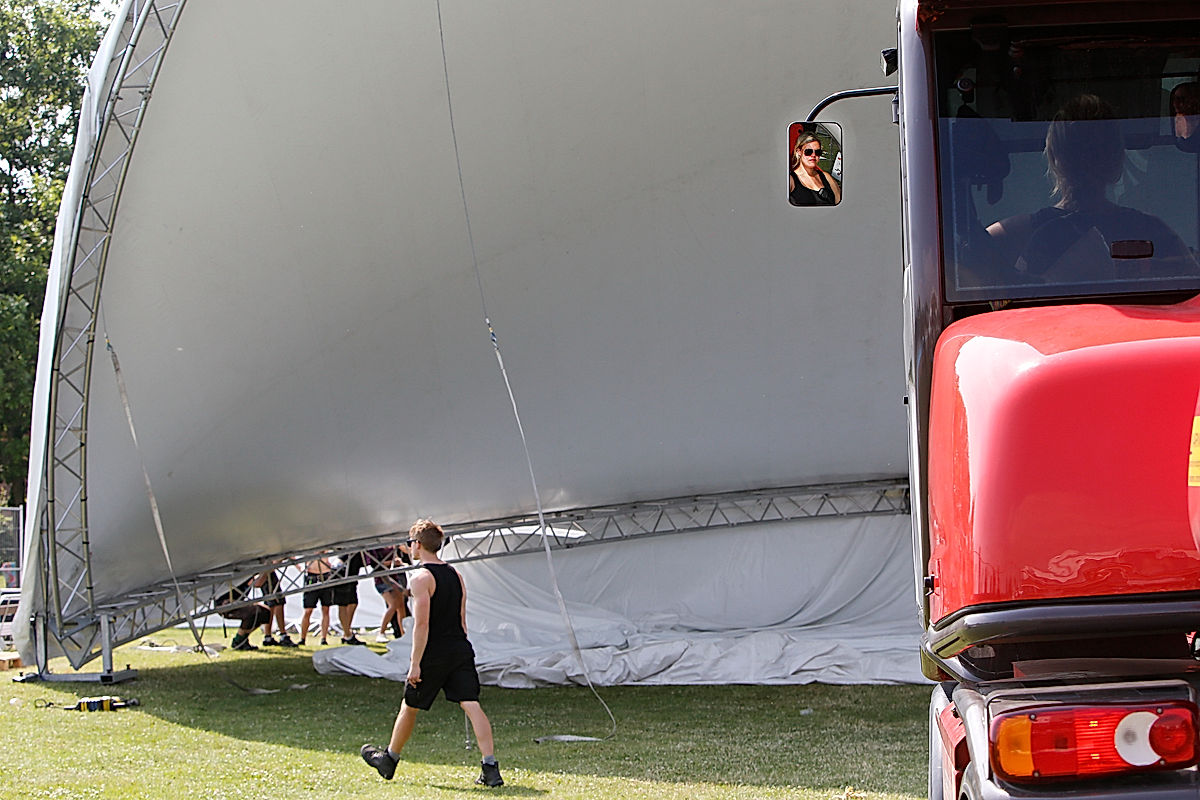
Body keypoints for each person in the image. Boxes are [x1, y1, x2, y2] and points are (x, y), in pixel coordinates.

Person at [986, 94, 1198, 279]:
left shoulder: (1008, 237)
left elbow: (977, 284)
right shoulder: (1156, 234)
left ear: (1054, 157)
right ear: (1117, 158)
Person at [361, 519, 503, 787]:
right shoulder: (455, 575)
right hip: (459, 647)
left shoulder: (421, 578)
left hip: (434, 651)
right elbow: (462, 619)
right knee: (471, 704)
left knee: (410, 705)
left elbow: (422, 624)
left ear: (417, 544)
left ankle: (389, 759)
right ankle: (490, 766)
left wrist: (415, 663)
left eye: (409, 543)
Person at [218, 573, 273, 651]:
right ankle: (238, 641)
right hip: (225, 603)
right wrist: (266, 571)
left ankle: (242, 639)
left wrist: (266, 572)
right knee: (253, 611)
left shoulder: (247, 575)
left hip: (237, 602)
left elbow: (258, 583)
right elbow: (257, 583)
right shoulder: (242, 574)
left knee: (265, 612)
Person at [789, 133, 841, 206]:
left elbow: (841, 204)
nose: (813, 155)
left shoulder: (827, 177)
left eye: (817, 152)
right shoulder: (791, 180)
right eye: (808, 152)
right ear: (799, 151)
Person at [372, 544, 410, 643]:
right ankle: (381, 632)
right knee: (393, 605)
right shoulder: (375, 548)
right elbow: (376, 565)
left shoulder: (392, 545)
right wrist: (393, 562)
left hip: (394, 578)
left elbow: (397, 556)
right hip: (382, 580)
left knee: (401, 606)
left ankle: (404, 634)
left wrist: (398, 561)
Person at [299, 555, 334, 646]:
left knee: (326, 609)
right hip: (311, 576)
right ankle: (302, 638)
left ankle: (324, 638)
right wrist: (300, 568)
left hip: (325, 575)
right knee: (308, 610)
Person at [258, 568, 297, 647]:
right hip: (266, 574)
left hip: (268, 573)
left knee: (275, 603)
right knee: (274, 604)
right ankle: (280, 635)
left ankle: (269, 636)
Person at [334, 550, 366, 645]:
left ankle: (347, 632)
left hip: (352, 579)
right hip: (342, 578)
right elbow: (339, 561)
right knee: (343, 604)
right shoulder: (347, 551)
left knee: (353, 603)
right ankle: (347, 634)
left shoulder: (359, 553)